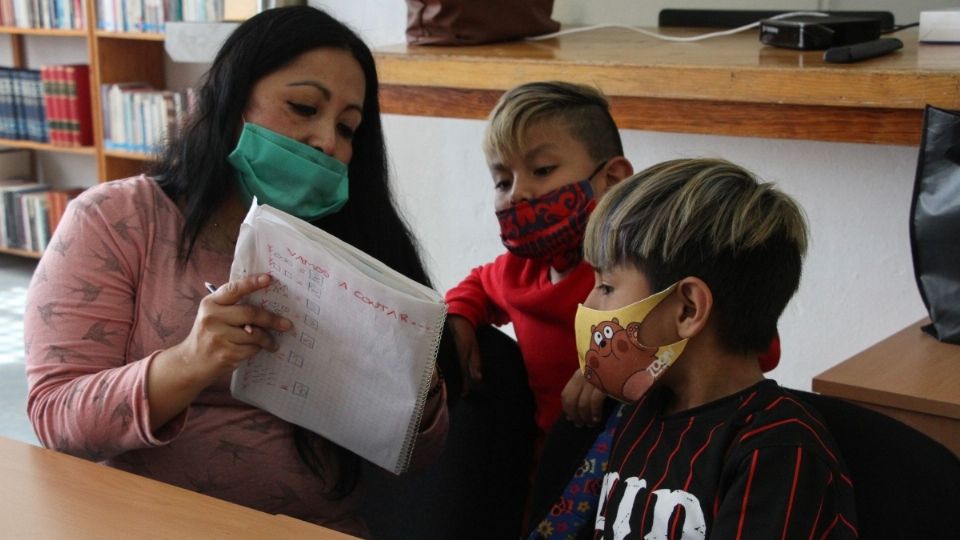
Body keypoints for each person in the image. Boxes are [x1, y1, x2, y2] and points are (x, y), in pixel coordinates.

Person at [23, 7, 449, 537]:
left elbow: (414, 460)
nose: (326, 142)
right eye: (303, 107)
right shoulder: (116, 220)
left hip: (311, 526)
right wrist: (190, 362)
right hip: (139, 521)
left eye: (347, 127)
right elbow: (56, 418)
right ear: (230, 103)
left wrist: (419, 392)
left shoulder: (354, 246)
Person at [566, 158, 857, 538]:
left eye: (606, 286)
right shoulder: (640, 414)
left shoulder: (778, 451)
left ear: (688, 308)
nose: (589, 303)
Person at [445, 81, 634, 441]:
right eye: (502, 181)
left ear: (612, 180)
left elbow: (745, 345)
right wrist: (458, 316)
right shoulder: (520, 271)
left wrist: (618, 360)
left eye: (542, 170)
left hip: (641, 467)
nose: (518, 194)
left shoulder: (646, 263)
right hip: (549, 472)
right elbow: (480, 285)